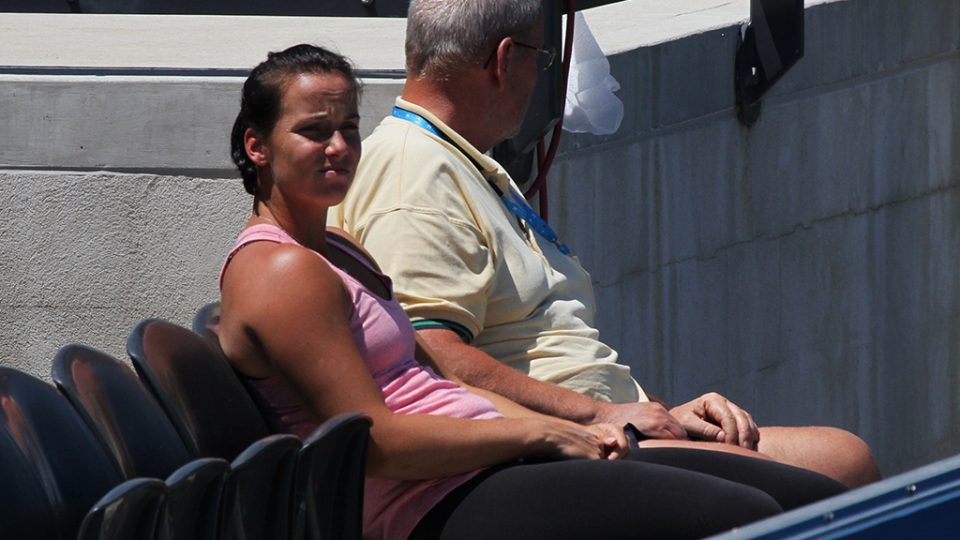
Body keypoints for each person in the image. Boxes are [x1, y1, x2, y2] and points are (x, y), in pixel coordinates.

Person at [220, 44, 846, 540]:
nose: (339, 147)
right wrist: (541, 435)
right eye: (314, 131)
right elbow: (376, 442)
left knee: (807, 498)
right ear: (258, 146)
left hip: (487, 461)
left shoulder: (336, 248)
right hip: (429, 500)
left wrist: (581, 425)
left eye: (349, 127)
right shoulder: (281, 271)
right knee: (747, 518)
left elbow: (442, 381)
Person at [328, 0, 881, 488]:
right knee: (826, 478)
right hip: (558, 454)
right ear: (504, 60)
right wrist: (597, 416)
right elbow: (432, 355)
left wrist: (660, 413)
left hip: (610, 430)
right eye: (543, 59)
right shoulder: (414, 177)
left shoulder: (457, 161)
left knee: (840, 457)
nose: (539, 77)